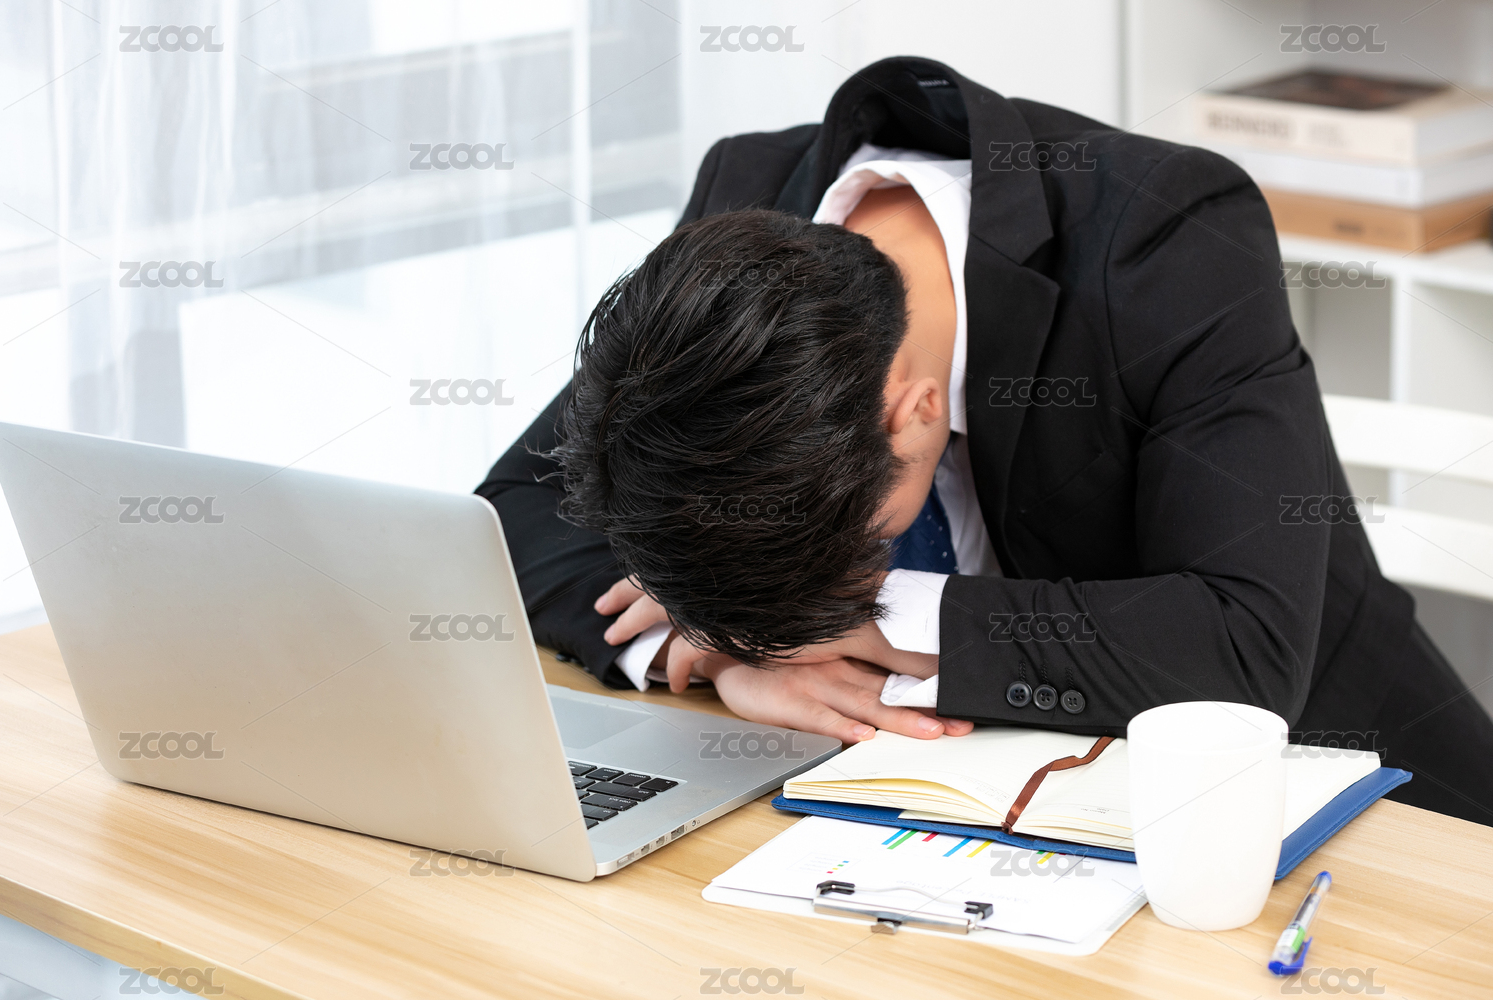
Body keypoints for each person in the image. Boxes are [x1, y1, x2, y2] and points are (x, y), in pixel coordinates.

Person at [476, 56, 1493, 825]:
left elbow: (1241, 646)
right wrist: (723, 657)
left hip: (1322, 782)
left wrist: (845, 620)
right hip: (972, 797)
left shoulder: (1172, 234)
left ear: (913, 411)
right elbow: (517, 506)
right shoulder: (746, 213)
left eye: (853, 550)